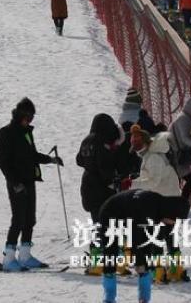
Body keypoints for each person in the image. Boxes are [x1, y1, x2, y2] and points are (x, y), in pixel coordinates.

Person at [0, 97, 63, 271]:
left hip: (29, 180)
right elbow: (3, 162)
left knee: (30, 219)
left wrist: (50, 159)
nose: (30, 120)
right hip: (16, 182)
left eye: (32, 117)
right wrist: (14, 182)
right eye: (28, 117)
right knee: (18, 219)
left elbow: (32, 155)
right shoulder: (7, 132)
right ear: (20, 115)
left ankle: (25, 255)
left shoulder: (27, 132)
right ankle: (9, 259)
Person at [98, 190, 190, 303]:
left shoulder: (159, 206)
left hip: (128, 215)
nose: (173, 224)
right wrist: (142, 266)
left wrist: (145, 266)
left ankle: (144, 298)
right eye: (174, 221)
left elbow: (147, 240)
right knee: (110, 255)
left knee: (143, 263)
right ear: (172, 213)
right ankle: (109, 298)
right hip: (109, 214)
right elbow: (137, 242)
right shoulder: (148, 210)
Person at [76, 113, 121, 274]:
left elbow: (79, 160)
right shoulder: (101, 141)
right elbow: (104, 167)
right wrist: (112, 180)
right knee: (106, 225)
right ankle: (104, 260)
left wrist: (90, 164)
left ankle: (95, 259)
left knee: (97, 223)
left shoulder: (87, 140)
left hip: (87, 185)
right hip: (100, 188)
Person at [168, 96, 191, 202]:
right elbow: (184, 138)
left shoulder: (184, 118)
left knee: (179, 179)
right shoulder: (183, 119)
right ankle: (182, 202)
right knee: (189, 178)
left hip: (175, 155)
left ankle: (179, 202)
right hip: (175, 156)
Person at [129, 125, 180, 197]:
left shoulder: (153, 157)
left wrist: (132, 184)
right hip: (162, 194)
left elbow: (153, 181)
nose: (136, 151)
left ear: (144, 143)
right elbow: (147, 177)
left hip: (166, 196)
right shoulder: (148, 154)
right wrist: (132, 182)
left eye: (137, 146)